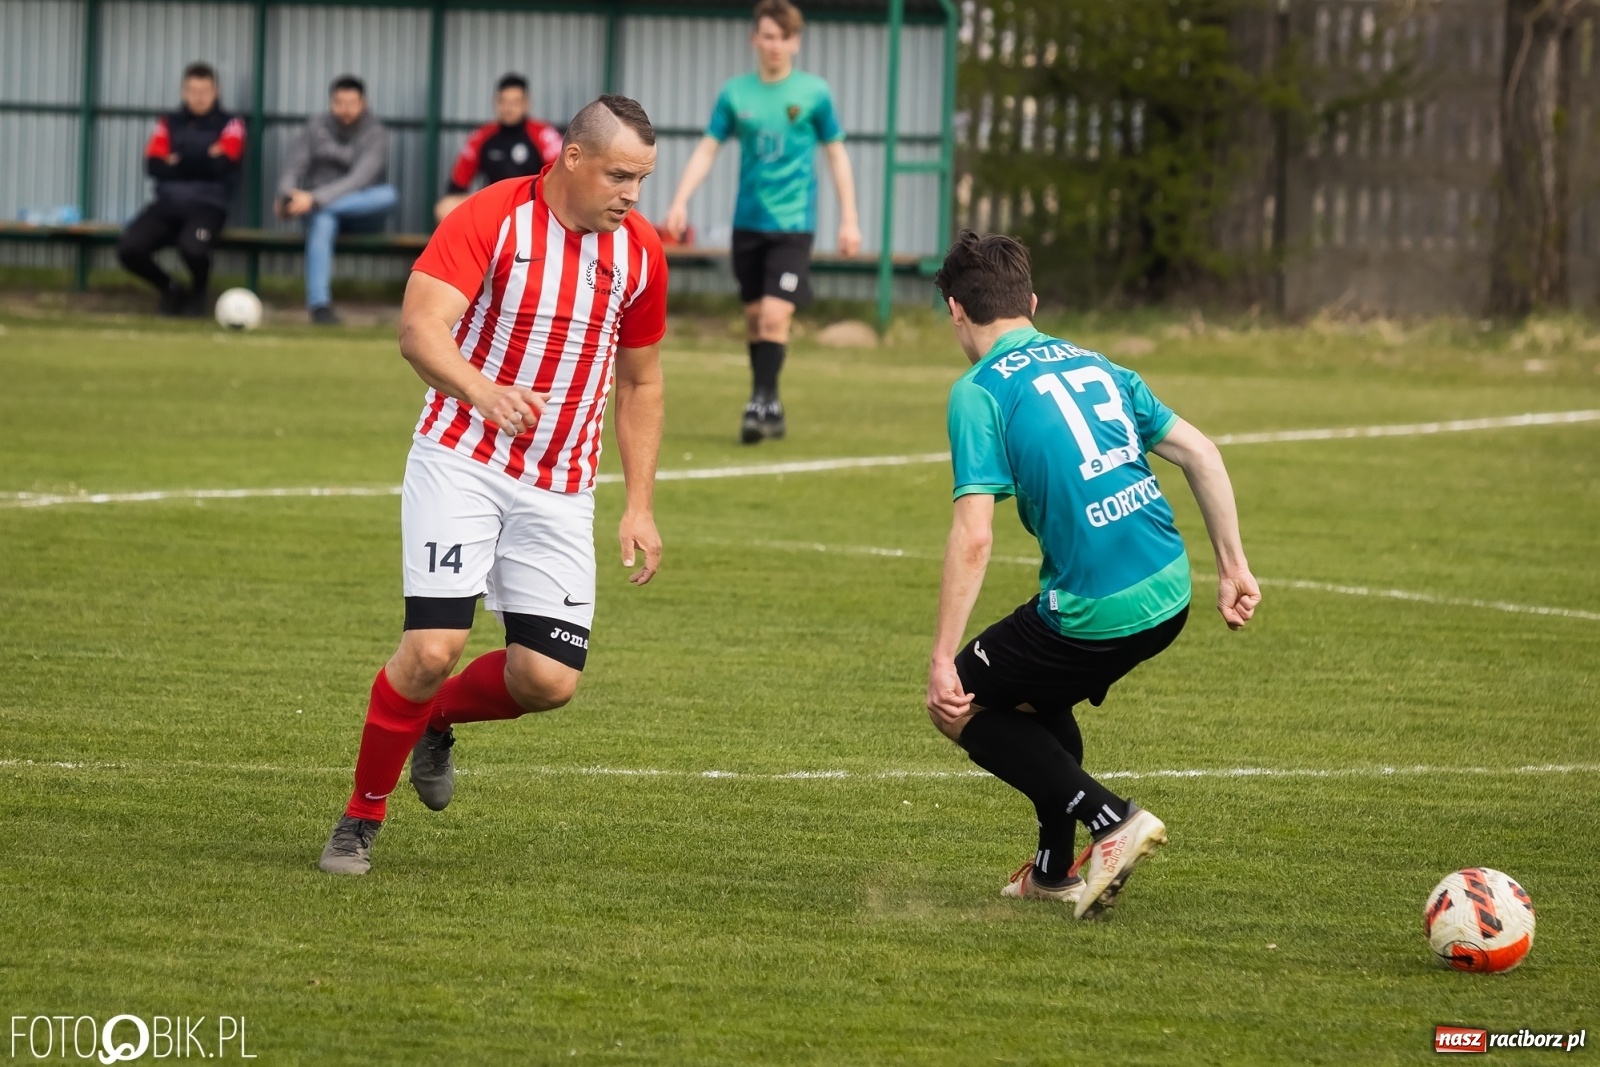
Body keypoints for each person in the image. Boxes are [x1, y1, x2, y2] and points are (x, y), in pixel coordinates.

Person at [318, 95, 669, 876]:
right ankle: (359, 818)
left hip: (560, 488)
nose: (631, 195)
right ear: (571, 159)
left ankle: (434, 721)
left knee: (547, 680)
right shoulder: (492, 216)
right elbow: (419, 329)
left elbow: (641, 384)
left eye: (642, 179)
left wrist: (639, 501)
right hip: (462, 459)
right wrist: (482, 390)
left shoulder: (641, 253)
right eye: (619, 174)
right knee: (433, 646)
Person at [924, 231, 1261, 920]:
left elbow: (974, 533)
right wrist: (1232, 565)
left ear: (956, 311)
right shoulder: (1096, 362)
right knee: (1030, 696)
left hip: (1098, 607)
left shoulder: (978, 391)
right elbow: (1200, 451)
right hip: (1171, 590)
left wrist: (940, 659)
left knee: (958, 702)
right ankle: (1051, 872)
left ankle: (1111, 819)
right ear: (1033, 303)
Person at [663, 0, 860, 445]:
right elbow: (709, 147)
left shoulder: (814, 93)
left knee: (774, 314)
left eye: (784, 37)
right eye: (768, 36)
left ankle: (762, 401)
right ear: (755, 39)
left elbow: (836, 153)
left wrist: (849, 218)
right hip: (747, 222)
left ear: (796, 42)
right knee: (755, 318)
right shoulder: (736, 94)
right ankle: (765, 401)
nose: (775, 45)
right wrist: (679, 200)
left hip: (793, 224)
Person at [117, 62, 245, 316]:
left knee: (193, 248)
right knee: (128, 249)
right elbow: (153, 165)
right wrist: (204, 156)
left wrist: (178, 159)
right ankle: (171, 288)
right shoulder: (169, 122)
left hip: (209, 205)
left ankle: (198, 293)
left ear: (216, 92)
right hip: (167, 204)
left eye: (205, 91)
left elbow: (222, 165)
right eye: (192, 91)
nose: (198, 97)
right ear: (183, 93)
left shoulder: (231, 123)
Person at [275, 75, 397, 325]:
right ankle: (319, 305)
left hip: (361, 211)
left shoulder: (376, 133)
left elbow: (359, 180)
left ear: (364, 103)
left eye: (351, 103)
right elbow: (293, 167)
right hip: (318, 210)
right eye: (339, 103)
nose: (345, 109)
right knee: (323, 220)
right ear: (331, 103)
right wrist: (286, 196)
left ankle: (318, 207)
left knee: (388, 196)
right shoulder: (315, 126)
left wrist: (313, 199)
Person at [434, 73, 564, 222]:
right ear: (496, 102)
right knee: (445, 208)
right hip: (493, 204)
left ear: (526, 104)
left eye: (515, 102)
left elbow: (560, 180)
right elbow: (457, 184)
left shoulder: (544, 134)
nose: (508, 108)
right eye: (503, 102)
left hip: (531, 204)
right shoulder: (480, 136)